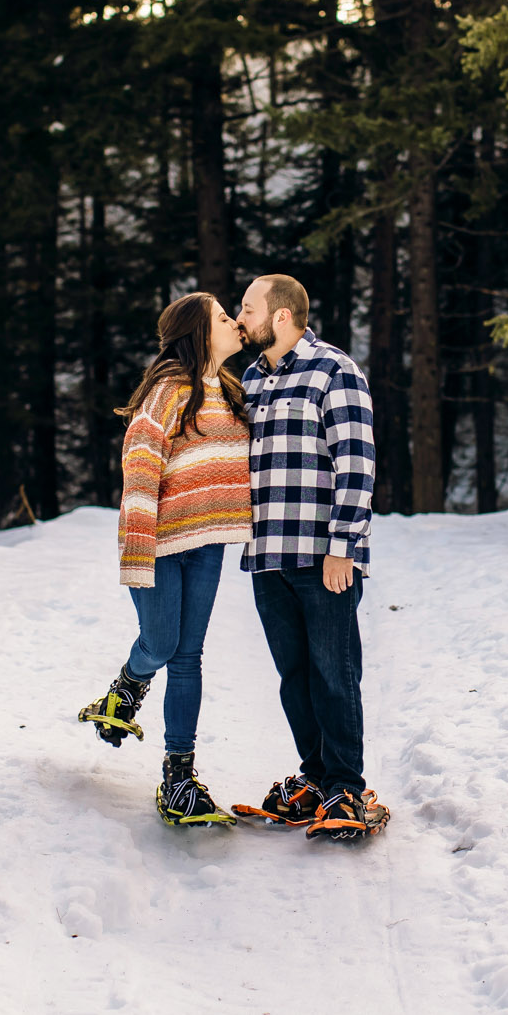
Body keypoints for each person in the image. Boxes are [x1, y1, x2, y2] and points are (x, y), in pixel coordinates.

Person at [77, 292, 251, 827]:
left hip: (208, 544)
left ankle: (179, 776)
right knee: (161, 643)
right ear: (199, 332)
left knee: (188, 657)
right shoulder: (169, 390)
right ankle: (128, 685)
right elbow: (140, 464)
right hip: (160, 542)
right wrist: (137, 548)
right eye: (225, 317)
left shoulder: (234, 390)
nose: (235, 323)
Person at [230, 274, 389, 842]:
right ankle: (317, 779)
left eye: (246, 307)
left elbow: (357, 462)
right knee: (293, 676)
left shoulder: (334, 370)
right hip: (267, 555)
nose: (238, 316)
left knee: (334, 672)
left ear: (279, 316)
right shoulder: (250, 379)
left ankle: (346, 785)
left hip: (324, 557)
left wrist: (344, 545)